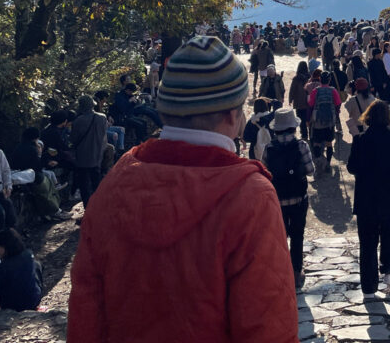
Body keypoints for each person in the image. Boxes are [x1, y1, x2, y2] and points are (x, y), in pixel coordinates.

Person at [68, 35, 298, 342]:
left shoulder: (116, 182)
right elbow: (268, 326)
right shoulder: (249, 195)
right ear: (232, 114)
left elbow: (86, 311)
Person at [347, 100, 390, 298]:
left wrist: (355, 140)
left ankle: (369, 286)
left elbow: (352, 168)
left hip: (366, 199)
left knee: (367, 243)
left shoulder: (361, 140)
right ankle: (388, 271)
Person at [262, 108, 314, 290]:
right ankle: (296, 271)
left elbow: (264, 174)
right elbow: (310, 170)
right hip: (299, 198)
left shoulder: (269, 148)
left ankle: (281, 271)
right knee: (298, 236)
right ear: (293, 127)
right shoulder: (301, 146)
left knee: (281, 237)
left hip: (278, 199)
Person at [70, 95, 109, 210]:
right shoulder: (102, 118)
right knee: (96, 181)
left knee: (84, 185)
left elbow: (73, 139)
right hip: (97, 154)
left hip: (82, 156)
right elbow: (104, 136)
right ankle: (99, 206)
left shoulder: (78, 121)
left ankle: (88, 208)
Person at [307, 73, 342, 171]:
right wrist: (336, 114)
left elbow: (310, 106)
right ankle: (328, 163)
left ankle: (319, 161)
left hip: (317, 121)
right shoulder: (333, 91)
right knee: (329, 143)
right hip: (330, 122)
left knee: (317, 143)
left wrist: (308, 119)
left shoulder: (315, 91)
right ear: (329, 80)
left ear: (320, 79)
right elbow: (338, 104)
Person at [244, 97, 275, 161]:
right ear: (266, 106)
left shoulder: (251, 121)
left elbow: (246, 137)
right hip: (271, 149)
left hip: (255, 152)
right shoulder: (271, 117)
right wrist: (271, 100)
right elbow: (278, 104)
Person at [288, 62, 311, 139]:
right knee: (309, 118)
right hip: (308, 102)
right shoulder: (309, 77)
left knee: (301, 120)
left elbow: (292, 90)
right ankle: (311, 133)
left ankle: (304, 135)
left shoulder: (296, 78)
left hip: (299, 103)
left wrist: (290, 99)